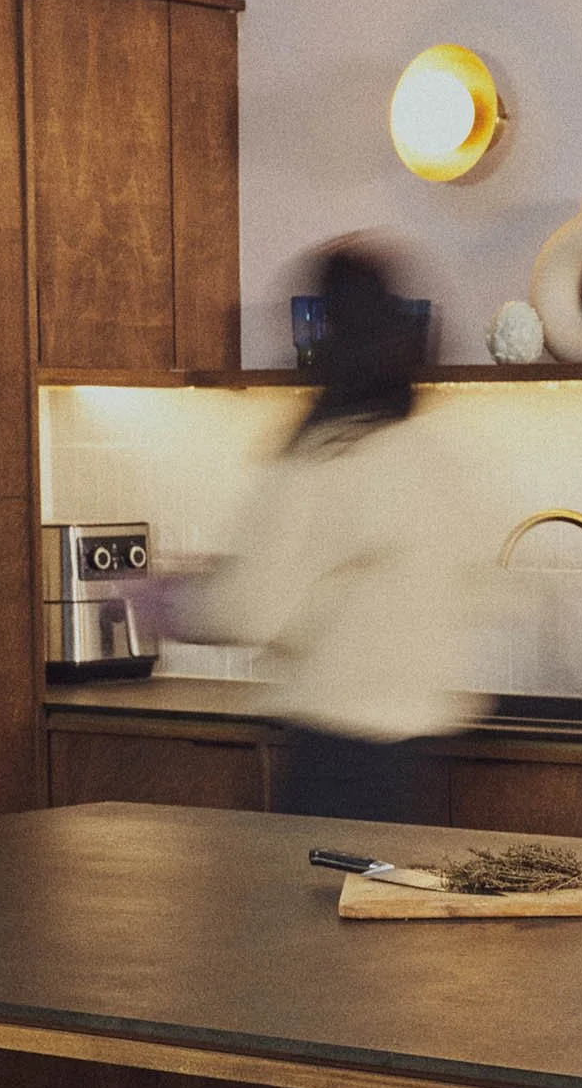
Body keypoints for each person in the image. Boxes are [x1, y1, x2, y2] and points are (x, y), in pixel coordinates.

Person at [159, 242, 482, 823]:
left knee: (314, 908)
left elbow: (247, 609)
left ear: (329, 335)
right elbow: (470, 586)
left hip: (334, 755)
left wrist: (172, 602)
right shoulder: (427, 452)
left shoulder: (321, 457)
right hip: (414, 757)